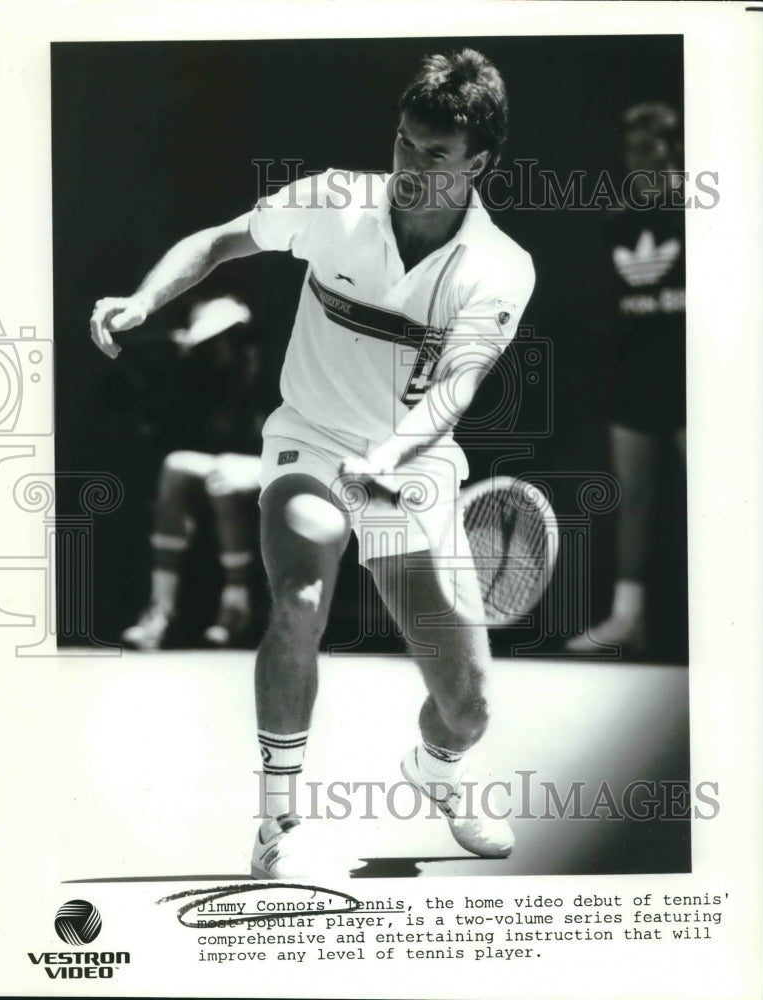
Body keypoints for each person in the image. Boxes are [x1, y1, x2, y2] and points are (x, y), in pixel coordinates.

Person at [90, 49, 535, 879]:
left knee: (467, 707)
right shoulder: (333, 198)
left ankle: (436, 771)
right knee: (299, 589)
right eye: (404, 143)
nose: (409, 166)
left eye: (434, 155)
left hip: (412, 465)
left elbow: (457, 387)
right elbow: (221, 240)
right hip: (313, 439)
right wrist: (145, 298)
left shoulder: (499, 267)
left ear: (478, 163)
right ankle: (278, 819)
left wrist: (395, 455)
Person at [566, 103, 685, 656]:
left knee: (722, 497)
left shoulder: (700, 212)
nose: (639, 159)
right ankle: (627, 617)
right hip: (636, 379)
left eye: (652, 147)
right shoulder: (615, 217)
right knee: (632, 498)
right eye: (632, 149)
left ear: (675, 150)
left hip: (695, 379)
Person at [120, 296, 263, 651]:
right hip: (220, 467)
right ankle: (160, 611)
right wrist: (176, 340)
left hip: (281, 465)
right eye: (213, 338)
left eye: (229, 336)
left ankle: (236, 606)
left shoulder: (271, 368)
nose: (222, 346)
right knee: (177, 466)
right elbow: (124, 354)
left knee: (224, 476)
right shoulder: (198, 377)